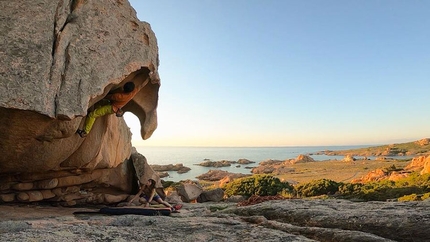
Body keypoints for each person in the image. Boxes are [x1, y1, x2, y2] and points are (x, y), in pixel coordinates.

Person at [76, 79, 147, 138]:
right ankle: (95, 112)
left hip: (111, 108)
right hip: (112, 104)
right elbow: (140, 86)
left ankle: (85, 132)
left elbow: (106, 96)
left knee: (92, 115)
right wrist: (148, 78)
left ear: (123, 89)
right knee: (99, 102)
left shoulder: (119, 96)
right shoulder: (133, 93)